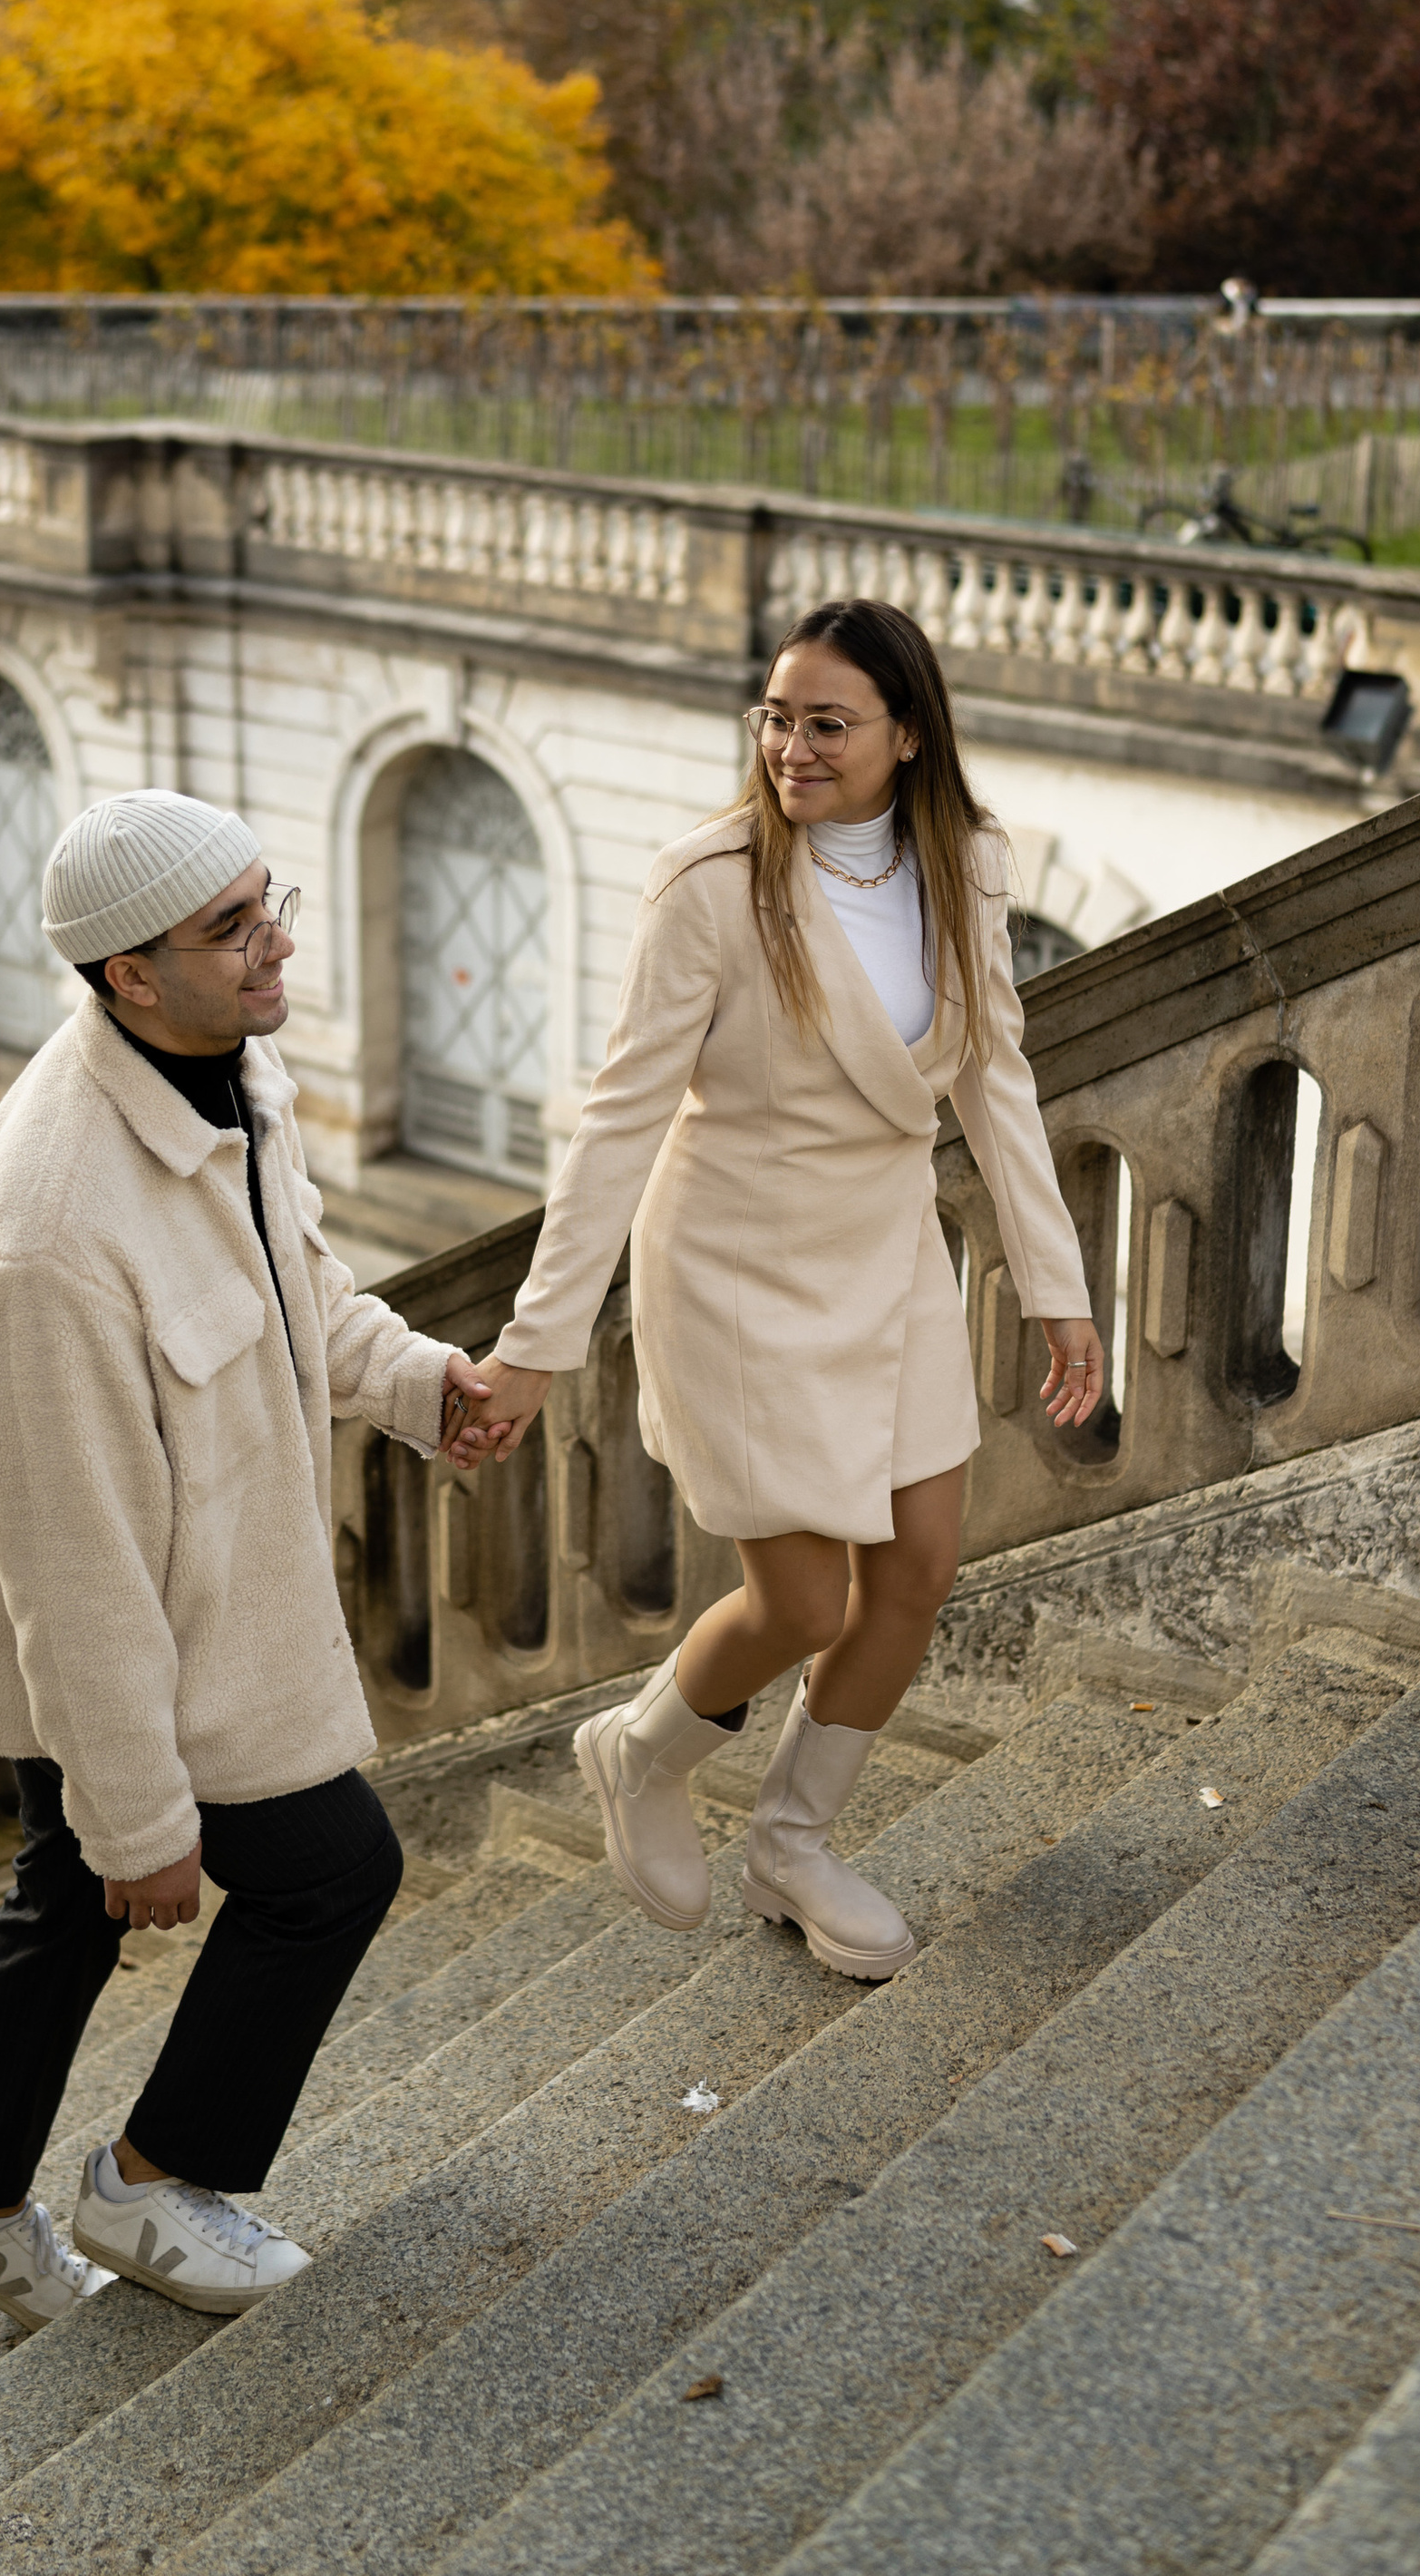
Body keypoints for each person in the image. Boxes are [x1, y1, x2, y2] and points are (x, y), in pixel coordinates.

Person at [0, 789, 490, 2330]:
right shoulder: (50, 1231)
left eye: (267, 901)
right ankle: (154, 2186)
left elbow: (298, 1288)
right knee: (329, 1871)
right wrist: (143, 1816)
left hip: (179, 1604)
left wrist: (422, 1384)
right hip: (120, 1631)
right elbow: (70, 1566)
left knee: (64, 1891)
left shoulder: (225, 1066)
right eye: (233, 927)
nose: (276, 941)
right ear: (129, 975)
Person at [450, 599, 1101, 1984]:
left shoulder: (969, 865)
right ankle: (641, 1751)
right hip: (736, 1274)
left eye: (827, 723)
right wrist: (537, 1343)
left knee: (917, 1571)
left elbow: (994, 1077)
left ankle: (793, 1845)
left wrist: (1060, 1288)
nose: (792, 747)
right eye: (777, 717)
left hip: (888, 1255)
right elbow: (620, 1120)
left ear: (907, 736)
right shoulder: (711, 885)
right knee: (801, 1603)